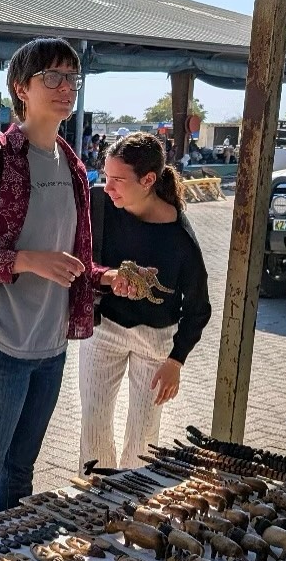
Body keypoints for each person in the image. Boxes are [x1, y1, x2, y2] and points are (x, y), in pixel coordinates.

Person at [0, 36, 127, 524]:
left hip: (50, 348)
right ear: (21, 87)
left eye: (73, 78)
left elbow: (71, 257)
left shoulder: (75, 165)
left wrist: (106, 278)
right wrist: (26, 260)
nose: (66, 88)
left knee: (21, 473)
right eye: (53, 77)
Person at [78, 132, 211, 471]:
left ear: (148, 180)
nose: (108, 187)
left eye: (118, 180)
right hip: (104, 328)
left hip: (156, 341)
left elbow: (198, 308)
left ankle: (130, 508)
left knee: (143, 437)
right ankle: (92, 502)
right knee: (93, 425)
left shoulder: (180, 239)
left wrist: (176, 361)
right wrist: (109, 276)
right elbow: (83, 261)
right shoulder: (101, 206)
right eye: (106, 176)